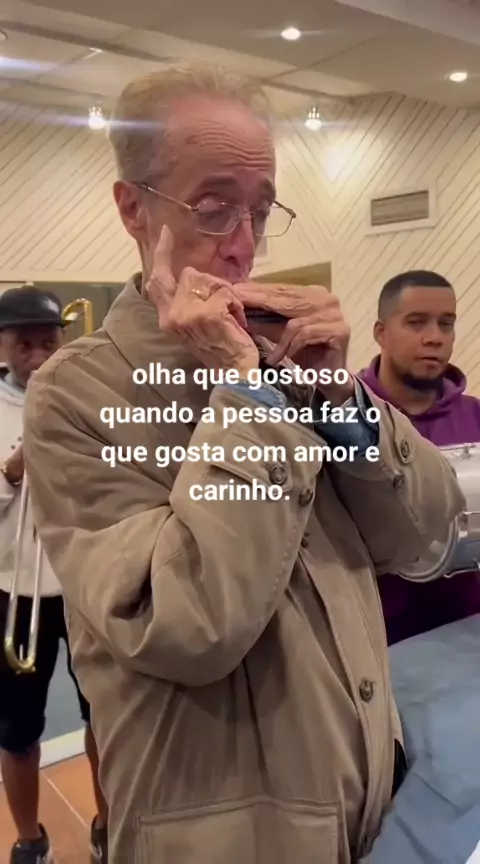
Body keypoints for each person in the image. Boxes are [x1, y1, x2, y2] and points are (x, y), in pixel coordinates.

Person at [21, 66, 464, 864]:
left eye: (261, 210)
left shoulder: (285, 360)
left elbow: (424, 537)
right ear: (133, 209)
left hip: (362, 789)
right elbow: (188, 621)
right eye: (214, 207)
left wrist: (340, 394)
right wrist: (250, 397)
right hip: (225, 832)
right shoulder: (77, 391)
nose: (244, 243)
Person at [0, 286, 109, 863]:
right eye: (25, 345)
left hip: (85, 583)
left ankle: (106, 823)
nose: (39, 357)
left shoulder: (85, 396)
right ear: (3, 346)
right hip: (16, 592)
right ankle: (29, 837)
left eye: (49, 343)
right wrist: (14, 470)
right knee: (17, 731)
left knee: (105, 715)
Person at [359, 269, 480, 644]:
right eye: (416, 322)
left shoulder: (476, 415)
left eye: (446, 324)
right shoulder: (347, 416)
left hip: (467, 634)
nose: (434, 337)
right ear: (381, 333)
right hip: (378, 641)